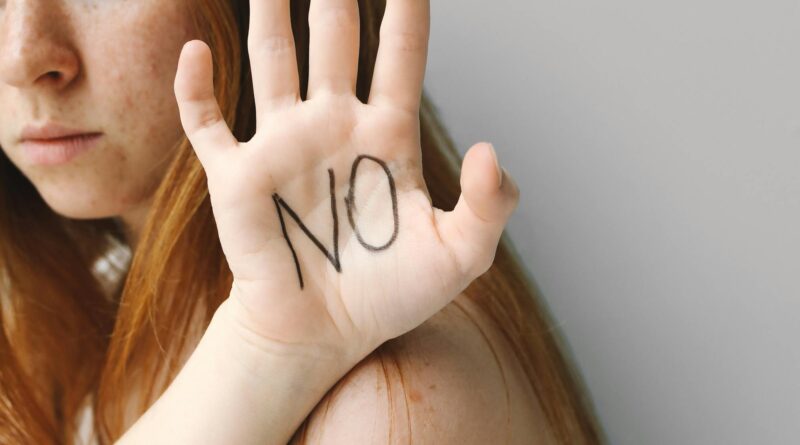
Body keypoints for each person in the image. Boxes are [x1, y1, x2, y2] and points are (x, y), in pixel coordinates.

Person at [0, 0, 604, 443]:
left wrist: (270, 352)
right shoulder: (75, 316)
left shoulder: (388, 409)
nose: (21, 57)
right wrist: (263, 354)